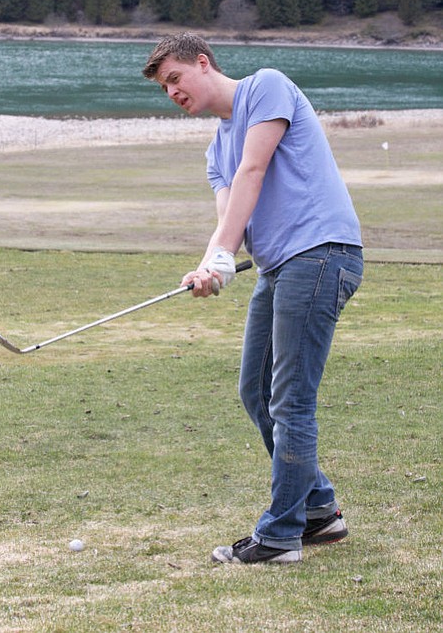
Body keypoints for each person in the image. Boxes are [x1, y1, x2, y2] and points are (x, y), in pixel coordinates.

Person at [142, 33, 363, 565]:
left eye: (175, 78)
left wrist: (220, 253)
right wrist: (209, 265)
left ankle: (281, 536)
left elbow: (255, 170)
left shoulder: (266, 86)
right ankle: (319, 510)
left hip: (320, 253)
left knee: (290, 401)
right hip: (279, 267)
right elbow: (230, 219)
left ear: (203, 63)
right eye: (164, 88)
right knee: (255, 392)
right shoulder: (215, 151)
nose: (172, 93)